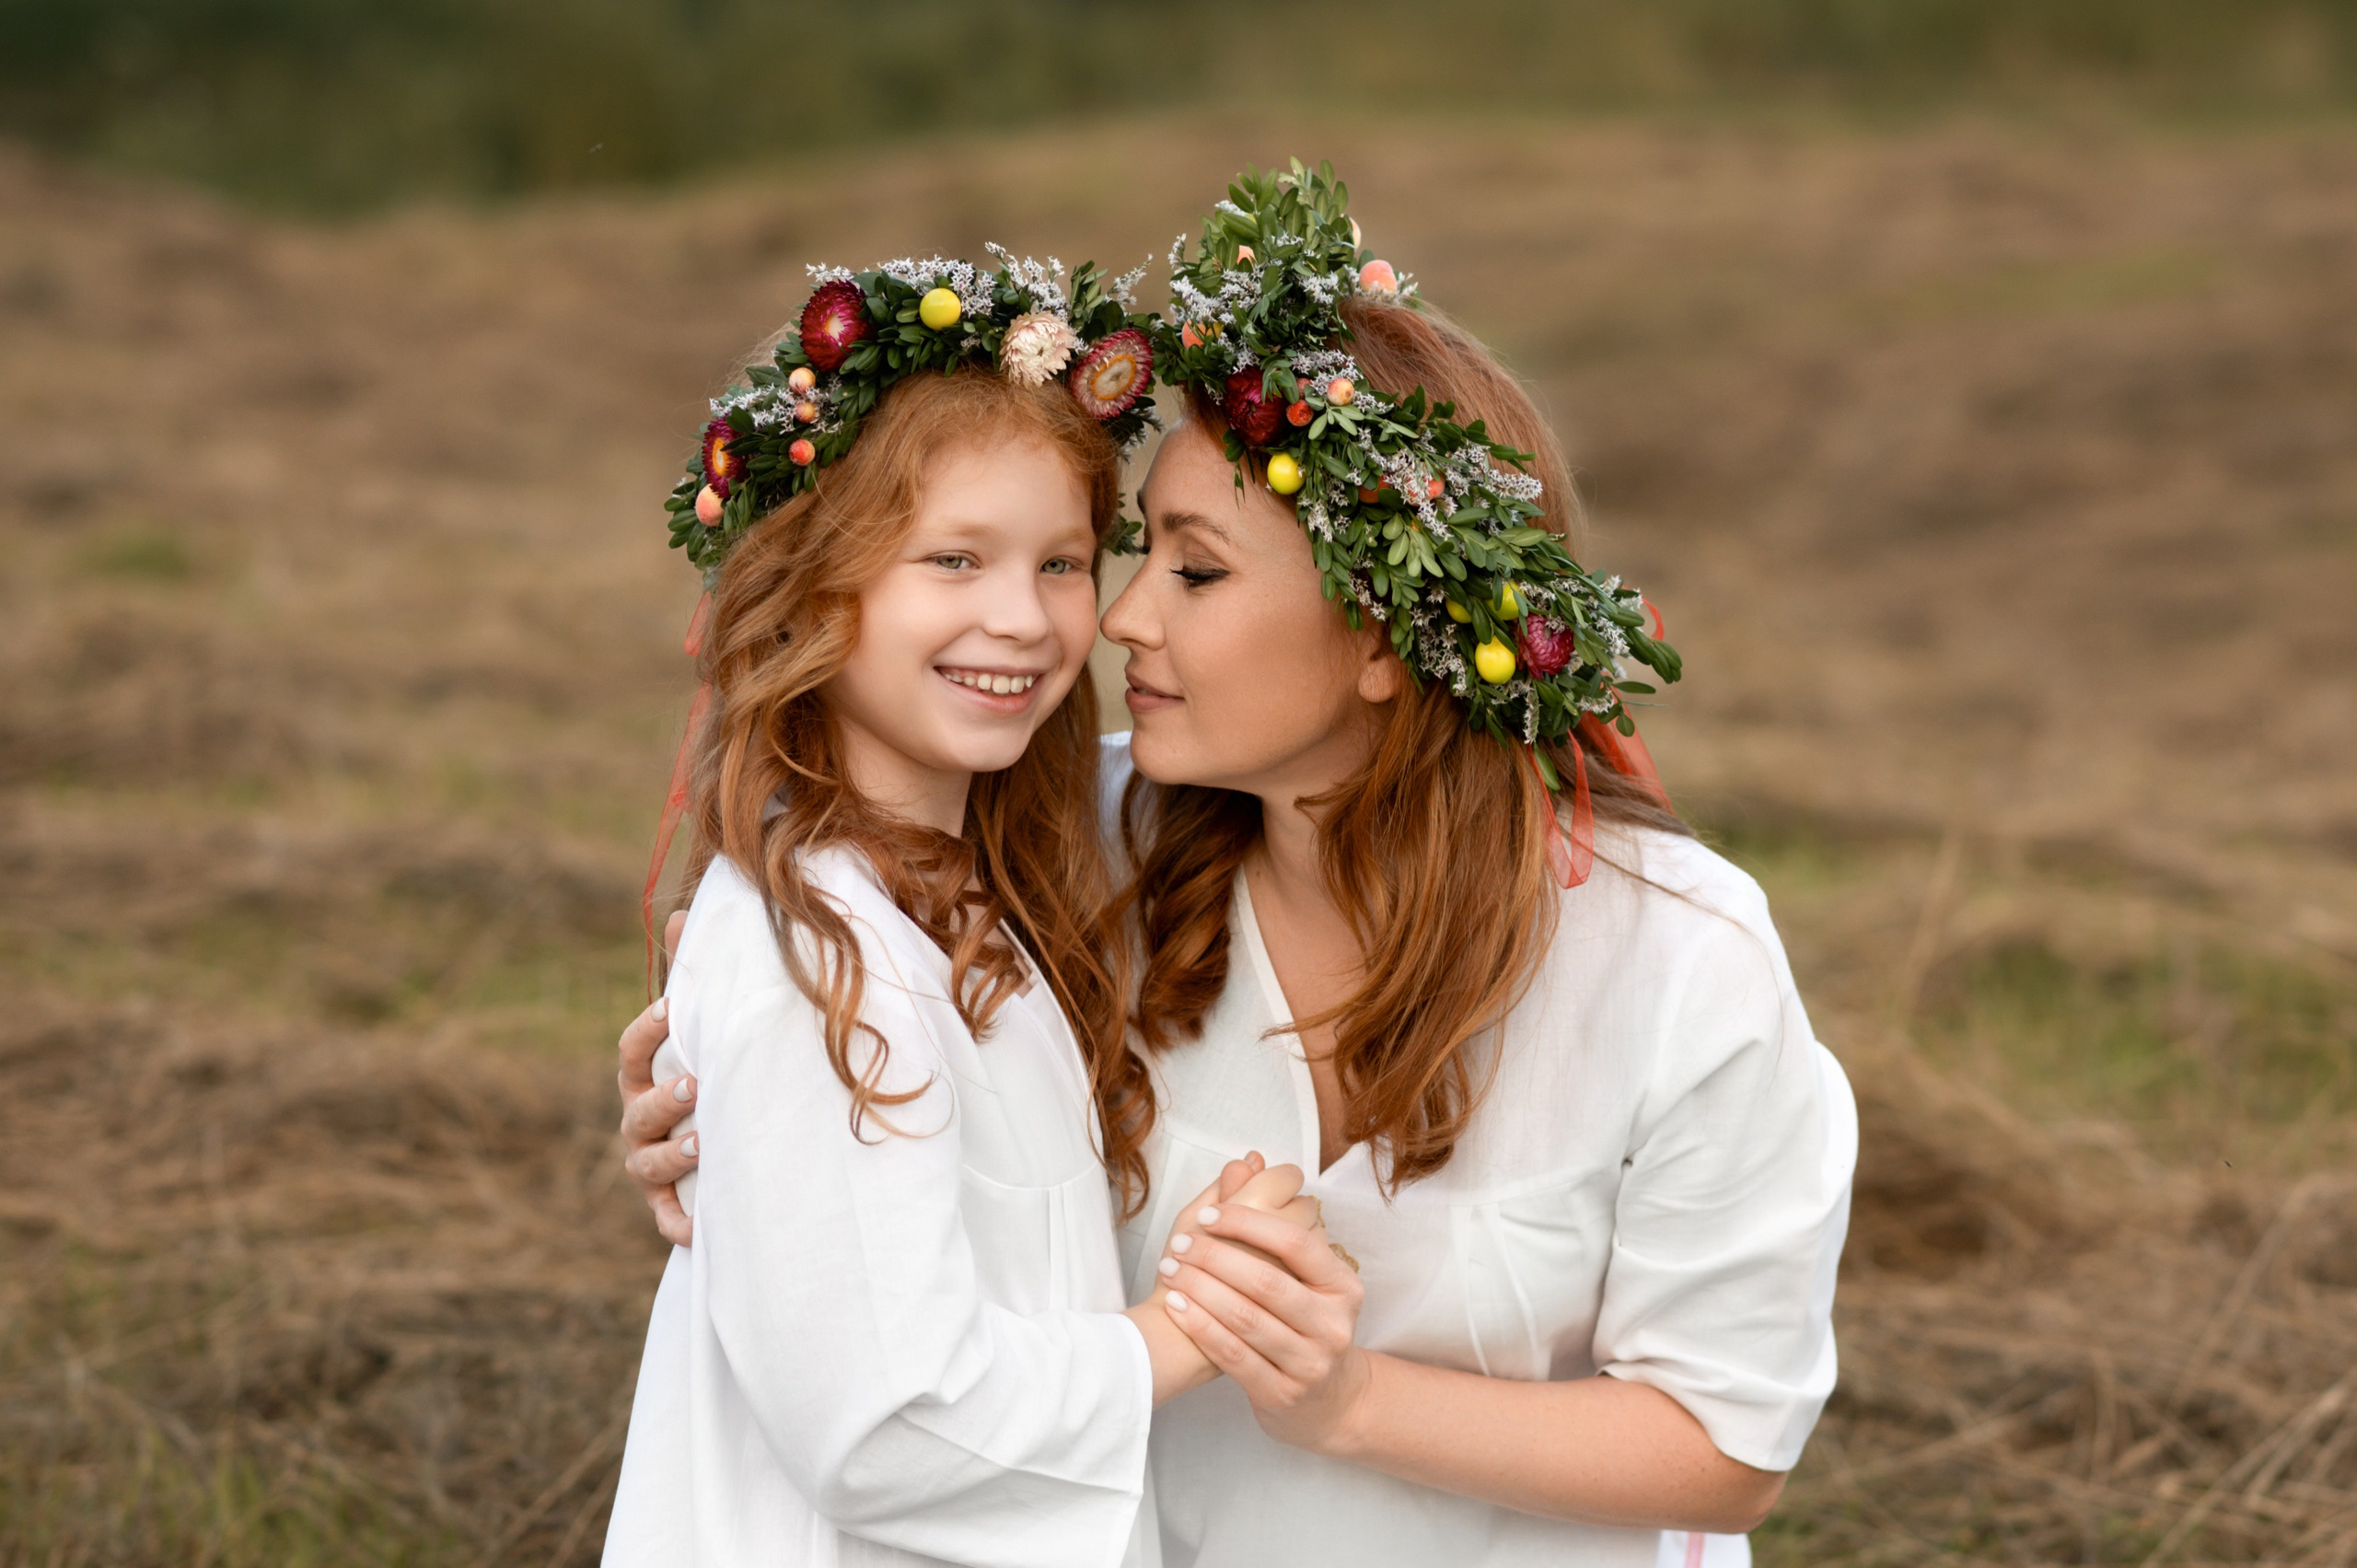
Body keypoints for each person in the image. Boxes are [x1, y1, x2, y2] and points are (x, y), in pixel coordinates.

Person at [617, 166, 1856, 1568]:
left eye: (1195, 573)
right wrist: (731, 1110)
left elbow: (1729, 1449)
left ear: (1387, 638)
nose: (1122, 618)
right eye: (1135, 552)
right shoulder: (1069, 856)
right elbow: (849, 1017)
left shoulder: (1679, 957)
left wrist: (1351, 1403)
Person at [603, 250, 1319, 1568]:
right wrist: (1194, 1327)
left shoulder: (993, 876)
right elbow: (888, 1429)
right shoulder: (810, 948)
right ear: (819, 586)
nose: (1027, 620)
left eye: (1060, 563)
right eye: (953, 559)